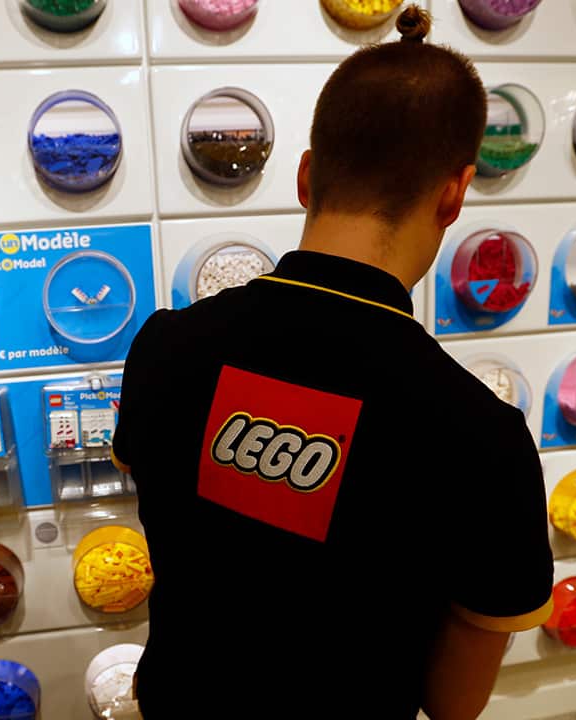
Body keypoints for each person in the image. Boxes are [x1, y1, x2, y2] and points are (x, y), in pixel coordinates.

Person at [111, 6, 553, 719]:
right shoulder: (482, 434)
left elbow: (170, 506)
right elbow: (452, 703)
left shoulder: (166, 344)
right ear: (454, 193)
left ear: (307, 175)